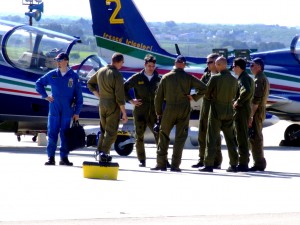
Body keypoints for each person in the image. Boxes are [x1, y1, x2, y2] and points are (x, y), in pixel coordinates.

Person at [152, 55, 207, 172]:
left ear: (175, 63)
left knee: (164, 135)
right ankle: (175, 165)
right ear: (184, 64)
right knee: (180, 137)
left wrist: (159, 113)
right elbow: (204, 88)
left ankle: (161, 163)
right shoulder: (188, 77)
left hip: (169, 108)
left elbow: (158, 97)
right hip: (184, 108)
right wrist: (193, 97)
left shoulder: (166, 77)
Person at [35, 52, 83, 166]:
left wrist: (77, 112)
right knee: (52, 133)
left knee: (65, 134)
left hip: (67, 110)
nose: (58, 63)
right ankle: (50, 157)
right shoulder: (52, 75)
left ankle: (64, 158)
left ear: (66, 61)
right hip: (54, 109)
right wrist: (45, 96)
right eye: (57, 60)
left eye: (60, 60)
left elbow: (79, 96)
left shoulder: (73, 76)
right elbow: (38, 84)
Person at [200, 56, 239, 173]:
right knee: (230, 140)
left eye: (217, 64)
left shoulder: (215, 78)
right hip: (229, 110)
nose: (215, 66)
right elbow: (236, 95)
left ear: (221, 65)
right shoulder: (234, 79)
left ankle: (209, 164)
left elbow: (207, 94)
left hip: (216, 110)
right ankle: (233, 164)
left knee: (211, 138)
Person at [87, 53, 128, 160]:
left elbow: (90, 83)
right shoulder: (117, 75)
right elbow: (119, 96)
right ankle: (103, 153)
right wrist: (124, 112)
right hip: (112, 105)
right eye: (122, 62)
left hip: (102, 104)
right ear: (118, 62)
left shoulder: (101, 71)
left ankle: (99, 152)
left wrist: (98, 95)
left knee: (103, 130)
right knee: (111, 132)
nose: (122, 65)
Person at [124, 54, 161, 167]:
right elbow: (124, 88)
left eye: (153, 66)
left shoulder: (159, 79)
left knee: (159, 135)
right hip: (140, 111)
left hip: (154, 112)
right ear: (145, 65)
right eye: (149, 65)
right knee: (139, 135)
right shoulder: (137, 78)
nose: (151, 68)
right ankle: (142, 160)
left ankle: (162, 159)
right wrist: (131, 100)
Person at [191, 53, 222, 169]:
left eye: (209, 62)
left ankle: (217, 161)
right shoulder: (206, 75)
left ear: (215, 63)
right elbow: (200, 88)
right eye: (207, 62)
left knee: (215, 136)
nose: (207, 64)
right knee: (202, 134)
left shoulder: (221, 76)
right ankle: (202, 159)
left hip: (215, 108)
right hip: (204, 107)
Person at [232, 57, 255, 172]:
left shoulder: (243, 79)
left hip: (241, 111)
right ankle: (243, 161)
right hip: (244, 110)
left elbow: (247, 91)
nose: (233, 69)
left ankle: (243, 163)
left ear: (238, 67)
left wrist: (238, 102)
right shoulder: (246, 77)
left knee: (241, 137)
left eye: (234, 66)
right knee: (242, 137)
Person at [248, 58, 270, 171]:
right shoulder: (262, 78)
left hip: (257, 111)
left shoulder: (259, 80)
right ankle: (258, 162)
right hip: (260, 110)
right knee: (256, 136)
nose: (251, 67)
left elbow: (256, 100)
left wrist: (251, 116)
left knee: (255, 137)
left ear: (259, 67)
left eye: (253, 65)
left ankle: (259, 163)